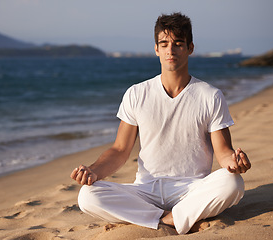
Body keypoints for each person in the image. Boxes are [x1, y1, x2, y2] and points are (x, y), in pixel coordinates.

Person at [70, 12, 251, 235]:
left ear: (190, 48)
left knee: (233, 183)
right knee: (87, 196)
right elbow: (119, 150)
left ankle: (167, 216)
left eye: (178, 43)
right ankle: (168, 218)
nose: (170, 50)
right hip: (146, 190)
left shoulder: (210, 95)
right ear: (156, 49)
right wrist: (93, 171)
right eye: (164, 44)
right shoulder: (137, 94)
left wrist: (234, 162)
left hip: (192, 188)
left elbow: (223, 151)